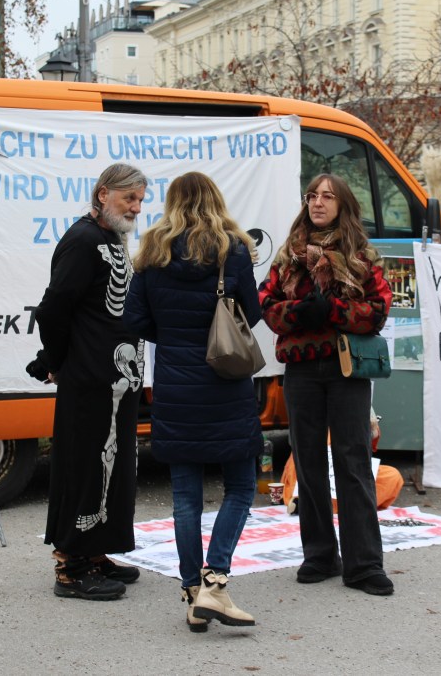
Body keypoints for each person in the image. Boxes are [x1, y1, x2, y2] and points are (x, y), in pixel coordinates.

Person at [123, 172, 261, 631]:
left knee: (186, 497)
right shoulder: (232, 250)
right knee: (240, 486)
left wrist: (174, 337)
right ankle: (214, 583)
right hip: (226, 385)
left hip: (175, 387)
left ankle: (191, 592)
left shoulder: (152, 251)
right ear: (215, 200)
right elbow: (252, 313)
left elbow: (134, 319)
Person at [258, 173, 395, 596]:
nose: (317, 202)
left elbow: (379, 309)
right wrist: (299, 313)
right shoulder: (289, 253)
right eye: (312, 196)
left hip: (346, 370)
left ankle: (364, 564)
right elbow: (266, 303)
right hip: (301, 371)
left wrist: (332, 310)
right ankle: (319, 555)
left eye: (327, 196)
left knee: (354, 463)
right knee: (308, 463)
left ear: (343, 204)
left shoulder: (361, 254)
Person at [31, 163, 149, 601]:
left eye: (140, 200)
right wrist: (55, 359)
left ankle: (96, 550)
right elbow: (53, 307)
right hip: (89, 377)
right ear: (103, 194)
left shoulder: (111, 238)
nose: (136, 208)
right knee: (83, 466)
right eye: (129, 198)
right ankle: (70, 566)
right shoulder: (82, 240)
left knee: (113, 467)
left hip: (118, 377)